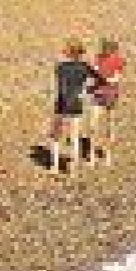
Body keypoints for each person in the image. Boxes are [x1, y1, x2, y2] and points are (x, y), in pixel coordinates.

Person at [47, 41, 102, 174]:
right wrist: (87, 91)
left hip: (62, 103)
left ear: (67, 52)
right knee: (75, 136)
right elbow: (100, 80)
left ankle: (55, 167)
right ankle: (73, 167)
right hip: (77, 102)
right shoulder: (85, 66)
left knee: (56, 136)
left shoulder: (60, 67)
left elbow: (61, 86)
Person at [88, 38, 126, 165]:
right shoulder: (98, 58)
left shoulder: (117, 60)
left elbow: (116, 78)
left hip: (108, 93)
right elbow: (93, 74)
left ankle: (107, 155)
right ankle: (93, 156)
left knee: (109, 125)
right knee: (94, 125)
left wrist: (101, 77)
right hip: (99, 93)